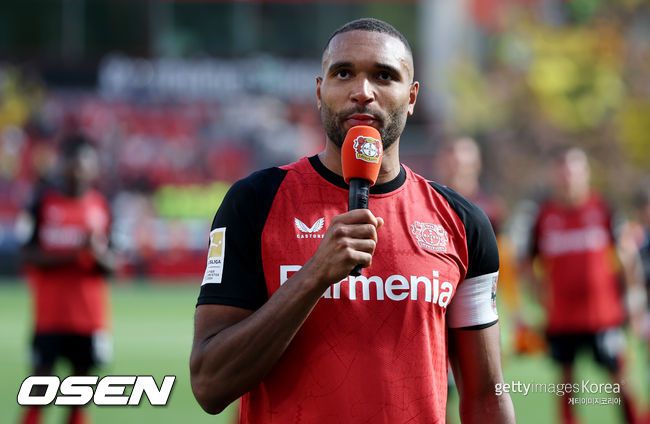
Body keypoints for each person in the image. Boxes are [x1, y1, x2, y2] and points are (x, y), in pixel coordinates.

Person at [190, 18, 515, 423]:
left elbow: (486, 396)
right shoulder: (255, 201)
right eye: (343, 73)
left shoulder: (462, 223)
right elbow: (209, 385)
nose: (362, 91)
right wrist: (314, 276)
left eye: (384, 76)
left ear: (412, 97)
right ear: (319, 91)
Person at [521, 147, 641, 424]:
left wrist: (631, 300)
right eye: (563, 172)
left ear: (585, 174)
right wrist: (539, 296)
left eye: (574, 172)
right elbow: (527, 261)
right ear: (554, 175)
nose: (568, 178)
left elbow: (626, 256)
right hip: (563, 319)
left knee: (619, 380)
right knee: (566, 384)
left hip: (603, 316)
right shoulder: (544, 216)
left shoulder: (603, 209)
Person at [18, 133, 114, 424]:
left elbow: (113, 264)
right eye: (74, 164)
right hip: (49, 317)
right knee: (38, 392)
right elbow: (27, 254)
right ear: (63, 164)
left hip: (88, 319)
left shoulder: (101, 206)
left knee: (79, 398)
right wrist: (75, 253)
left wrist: (95, 254)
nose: (79, 171)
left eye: (86, 165)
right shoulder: (42, 204)